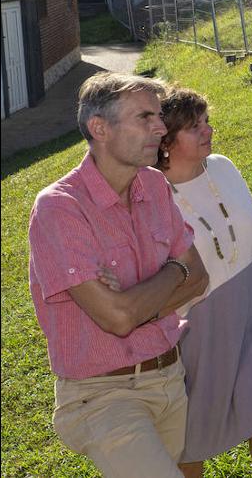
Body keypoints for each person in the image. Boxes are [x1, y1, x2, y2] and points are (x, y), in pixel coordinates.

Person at [28, 72, 208, 476]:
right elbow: (118, 318)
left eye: (159, 116)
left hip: (169, 377)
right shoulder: (60, 208)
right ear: (99, 128)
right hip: (103, 396)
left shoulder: (154, 185)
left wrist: (134, 298)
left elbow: (199, 278)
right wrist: (172, 272)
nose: (160, 128)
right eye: (145, 117)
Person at [154, 88, 252, 477]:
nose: (208, 131)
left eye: (206, 121)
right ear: (165, 142)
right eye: (194, 127)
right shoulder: (152, 197)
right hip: (197, 326)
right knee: (189, 433)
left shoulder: (223, 166)